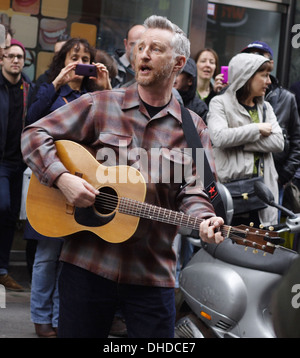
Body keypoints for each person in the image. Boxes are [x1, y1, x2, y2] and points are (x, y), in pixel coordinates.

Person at [21, 15, 224, 339]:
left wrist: (204, 219)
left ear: (178, 63)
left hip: (151, 275)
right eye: (140, 47)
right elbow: (34, 134)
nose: (143, 54)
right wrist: (62, 178)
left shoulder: (195, 129)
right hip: (86, 267)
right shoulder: (100, 104)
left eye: (155, 49)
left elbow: (197, 190)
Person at [24, 37, 111, 338]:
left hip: (83, 184)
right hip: (50, 181)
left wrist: (106, 87)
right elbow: (31, 123)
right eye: (74, 56)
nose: (80, 62)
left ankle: (63, 321)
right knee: (47, 256)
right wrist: (58, 82)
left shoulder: (94, 97)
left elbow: (115, 130)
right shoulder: (48, 88)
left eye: (85, 57)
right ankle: (41, 320)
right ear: (62, 59)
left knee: (71, 258)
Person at [207, 53, 284, 227]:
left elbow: (278, 143)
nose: (269, 81)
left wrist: (238, 142)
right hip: (231, 194)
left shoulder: (266, 108)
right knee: (227, 247)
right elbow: (219, 138)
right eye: (264, 75)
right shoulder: (219, 103)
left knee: (260, 249)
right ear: (246, 76)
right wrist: (257, 129)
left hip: (263, 198)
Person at [241, 41, 300, 206]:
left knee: (268, 228)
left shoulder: (286, 98)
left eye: (259, 57)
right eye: (249, 56)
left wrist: (282, 176)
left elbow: (296, 141)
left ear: (271, 64)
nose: (254, 61)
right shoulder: (230, 97)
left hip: (273, 179)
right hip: (238, 180)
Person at [0, 39, 34, 291]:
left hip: (18, 163)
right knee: (2, 207)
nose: (15, 60)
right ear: (2, 60)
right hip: (0, 162)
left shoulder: (28, 90)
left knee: (11, 217)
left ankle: (2, 270)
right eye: (11, 56)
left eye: (20, 57)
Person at [174, 57, 208, 122]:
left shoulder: (200, 107)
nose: (173, 77)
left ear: (190, 80)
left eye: (178, 73)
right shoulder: (162, 100)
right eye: (173, 72)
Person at [111, 23, 145, 88]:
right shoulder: (110, 66)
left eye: (141, 45)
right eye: (133, 44)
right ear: (125, 44)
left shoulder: (151, 67)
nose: (136, 49)